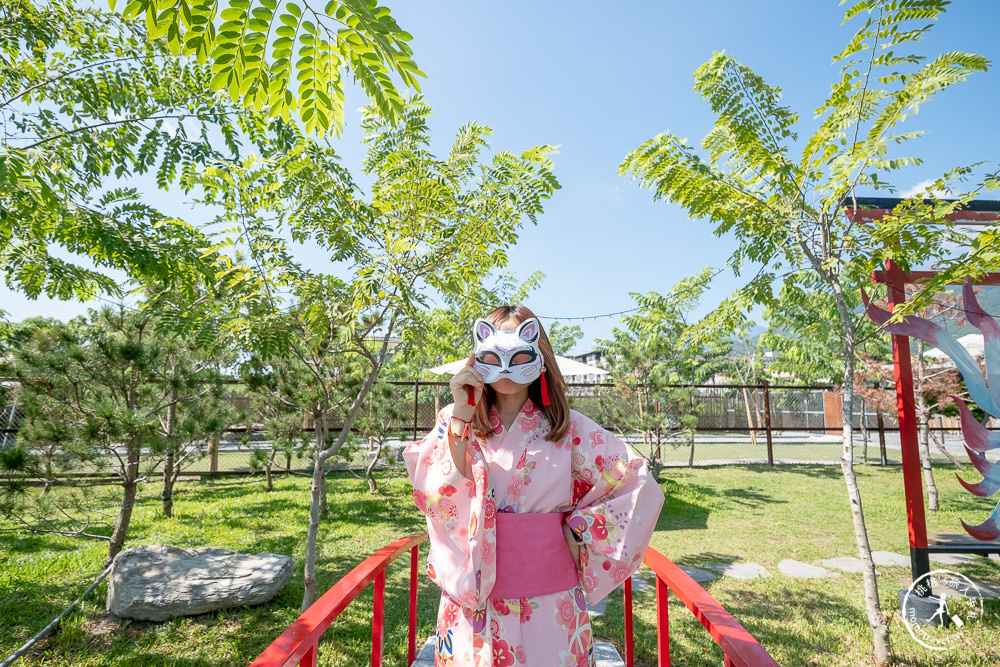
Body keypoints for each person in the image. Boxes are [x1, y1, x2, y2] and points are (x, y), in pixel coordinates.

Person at [403, 305, 665, 667]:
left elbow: (636, 482)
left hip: (551, 600)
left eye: (520, 354)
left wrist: (581, 529)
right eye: (494, 355)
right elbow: (436, 493)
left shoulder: (569, 428)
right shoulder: (455, 418)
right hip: (475, 598)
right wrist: (462, 415)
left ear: (539, 355)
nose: (506, 366)